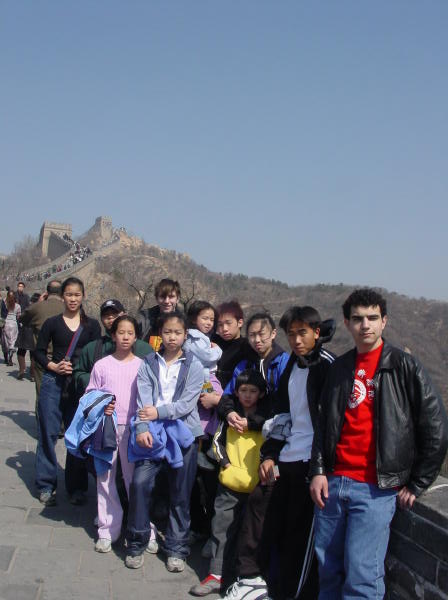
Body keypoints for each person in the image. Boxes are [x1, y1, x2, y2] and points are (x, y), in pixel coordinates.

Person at [309, 288, 448, 600]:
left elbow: (436, 428)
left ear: (384, 321)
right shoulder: (340, 368)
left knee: (362, 577)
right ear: (347, 323)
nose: (365, 325)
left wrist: (419, 481)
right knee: (328, 571)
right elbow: (324, 423)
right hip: (333, 484)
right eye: (358, 319)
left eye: (372, 318)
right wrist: (318, 470)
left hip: (375, 490)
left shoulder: (404, 367)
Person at [224, 306, 336, 600]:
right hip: (285, 457)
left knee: (297, 533)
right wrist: (270, 455)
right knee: (259, 508)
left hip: (310, 464)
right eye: (292, 334)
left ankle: (289, 593)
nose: (297, 340)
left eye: (303, 333)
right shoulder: (293, 366)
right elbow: (281, 413)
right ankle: (250, 579)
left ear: (317, 332)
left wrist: (320, 468)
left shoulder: (327, 367)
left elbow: (332, 424)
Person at [125, 311, 203, 572]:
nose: (172, 337)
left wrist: (158, 412)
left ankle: (176, 548)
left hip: (183, 434)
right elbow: (142, 398)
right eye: (167, 332)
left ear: (185, 335)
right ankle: (136, 542)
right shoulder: (148, 362)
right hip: (152, 433)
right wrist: (142, 427)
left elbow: (187, 404)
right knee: (139, 484)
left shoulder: (194, 366)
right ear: (160, 334)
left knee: (180, 493)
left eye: (177, 333)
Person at [190, 370, 269, 597]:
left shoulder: (265, 419)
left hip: (256, 484)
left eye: (253, 391)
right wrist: (225, 464)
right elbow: (217, 442)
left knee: (250, 532)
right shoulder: (230, 417)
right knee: (221, 528)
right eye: (243, 390)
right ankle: (216, 574)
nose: (247, 395)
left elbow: (271, 445)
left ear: (261, 394)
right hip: (230, 484)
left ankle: (245, 577)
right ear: (236, 391)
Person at [34, 277, 101, 506]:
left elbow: (96, 356)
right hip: (53, 382)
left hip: (79, 386)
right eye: (69, 294)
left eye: (77, 295)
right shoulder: (52, 323)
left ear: (83, 296)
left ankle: (76, 487)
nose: (73, 299)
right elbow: (39, 352)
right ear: (62, 296)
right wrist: (53, 366)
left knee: (77, 435)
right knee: (48, 433)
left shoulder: (91, 326)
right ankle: (46, 484)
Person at [84, 315, 143, 553]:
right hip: (106, 429)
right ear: (113, 335)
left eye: (130, 333)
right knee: (105, 479)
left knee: (134, 481)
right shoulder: (102, 365)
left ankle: (141, 529)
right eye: (121, 332)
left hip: (133, 428)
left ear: (136, 337)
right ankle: (107, 530)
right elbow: (90, 395)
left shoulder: (143, 365)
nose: (125, 337)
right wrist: (102, 405)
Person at [74, 298, 153, 397]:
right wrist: (97, 381)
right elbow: (78, 373)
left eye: (115, 314)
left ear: (124, 314)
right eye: (106, 315)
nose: (111, 318)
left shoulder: (144, 349)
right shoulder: (91, 348)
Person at [221, 312, 289, 398]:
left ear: (273, 334)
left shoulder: (284, 362)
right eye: (252, 335)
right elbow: (229, 395)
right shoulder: (244, 366)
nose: (257, 340)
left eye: (261, 334)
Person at [19, 280, 64, 401]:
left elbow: (23, 319)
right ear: (62, 292)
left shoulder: (38, 307)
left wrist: (38, 303)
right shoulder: (68, 308)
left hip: (43, 358)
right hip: (64, 359)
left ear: (47, 292)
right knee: (60, 395)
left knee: (42, 395)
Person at [136, 278, 181, 350]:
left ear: (177, 299)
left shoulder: (183, 321)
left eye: (171, 297)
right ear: (156, 298)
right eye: (162, 297)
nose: (166, 301)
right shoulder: (144, 318)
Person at [212, 301, 248, 389]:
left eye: (228, 323)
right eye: (220, 325)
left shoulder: (247, 347)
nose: (224, 329)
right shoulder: (212, 342)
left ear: (240, 322)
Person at [15, 281, 34, 380]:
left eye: (22, 286)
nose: (20, 288)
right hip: (30, 329)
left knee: (22, 351)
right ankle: (30, 374)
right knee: (32, 352)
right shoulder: (14, 295)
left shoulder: (26, 297)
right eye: (19, 286)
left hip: (25, 326)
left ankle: (24, 371)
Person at [1, 290, 21, 366]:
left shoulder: (5, 304)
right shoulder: (17, 306)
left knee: (5, 341)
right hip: (14, 324)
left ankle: (6, 358)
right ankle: (11, 358)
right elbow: (19, 316)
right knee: (13, 341)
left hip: (5, 323)